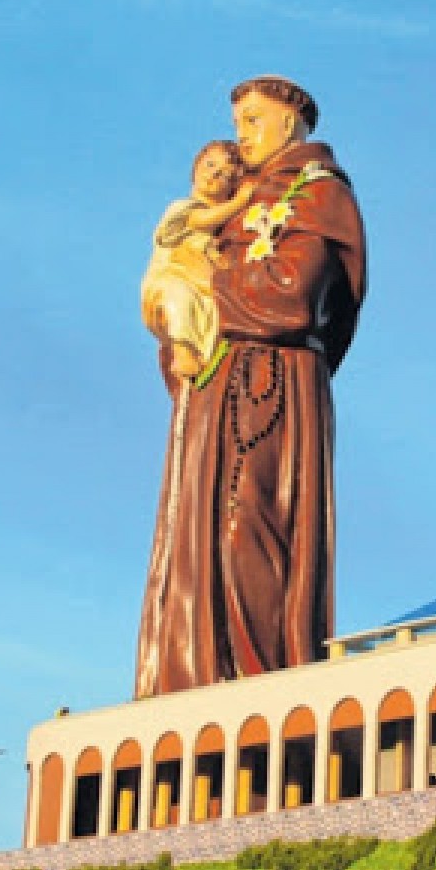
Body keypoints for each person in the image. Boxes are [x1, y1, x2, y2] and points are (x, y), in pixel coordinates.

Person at [134, 75, 367, 698]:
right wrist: (173, 318)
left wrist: (203, 290)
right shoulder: (234, 200)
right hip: (215, 390)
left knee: (252, 528)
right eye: (238, 123)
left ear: (290, 122)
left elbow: (294, 296)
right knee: (199, 539)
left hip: (272, 388)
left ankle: (256, 684)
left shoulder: (317, 194)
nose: (242, 136)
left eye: (254, 121)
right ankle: (198, 681)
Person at [140, 141, 255, 389]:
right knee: (180, 298)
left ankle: (205, 357)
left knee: (213, 311)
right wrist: (240, 202)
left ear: (230, 188)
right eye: (210, 165)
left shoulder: (219, 234)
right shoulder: (184, 208)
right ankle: (183, 351)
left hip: (200, 289)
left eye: (224, 175)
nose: (213, 174)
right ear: (195, 168)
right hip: (168, 284)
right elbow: (200, 220)